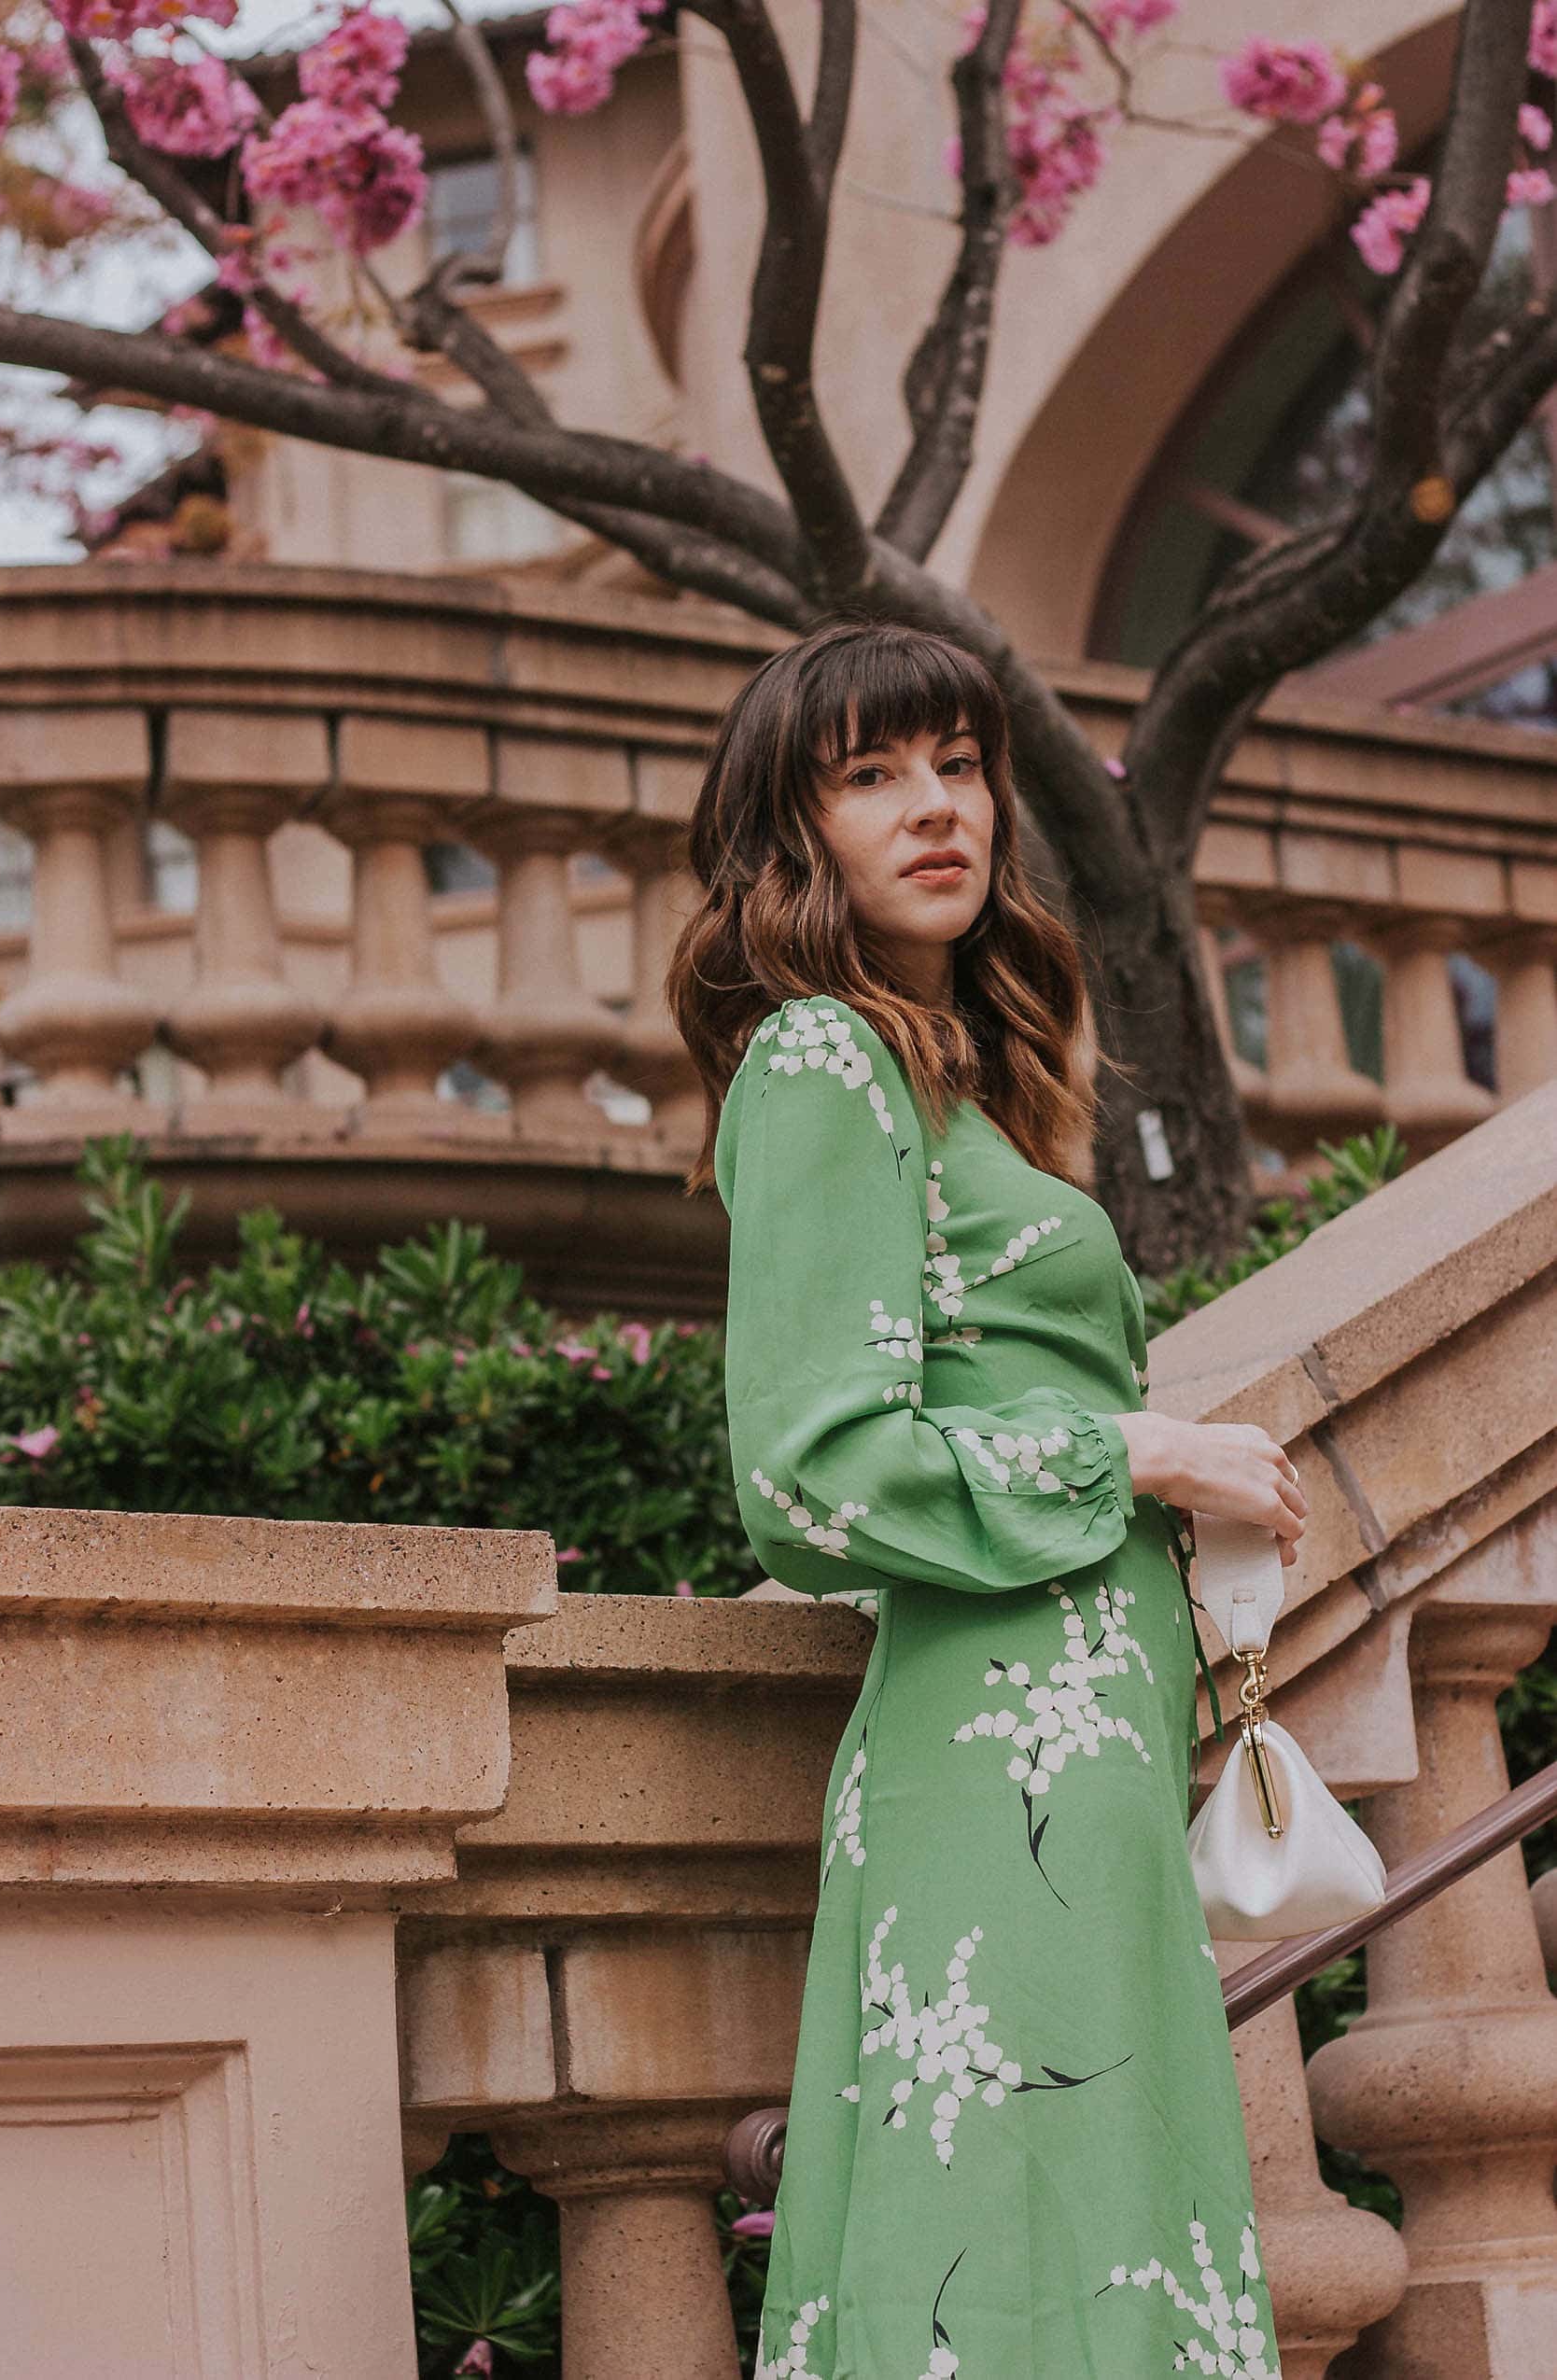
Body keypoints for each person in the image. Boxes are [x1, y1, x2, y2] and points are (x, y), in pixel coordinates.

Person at [666, 619, 1305, 2380]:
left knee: (1098, 2220)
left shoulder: (964, 1081)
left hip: (1084, 1729)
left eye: (958, 765)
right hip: (996, 1735)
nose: (935, 806)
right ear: (796, 832)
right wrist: (1146, 1451)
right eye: (870, 775)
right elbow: (809, 1470)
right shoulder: (820, 1064)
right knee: (1010, 2237)